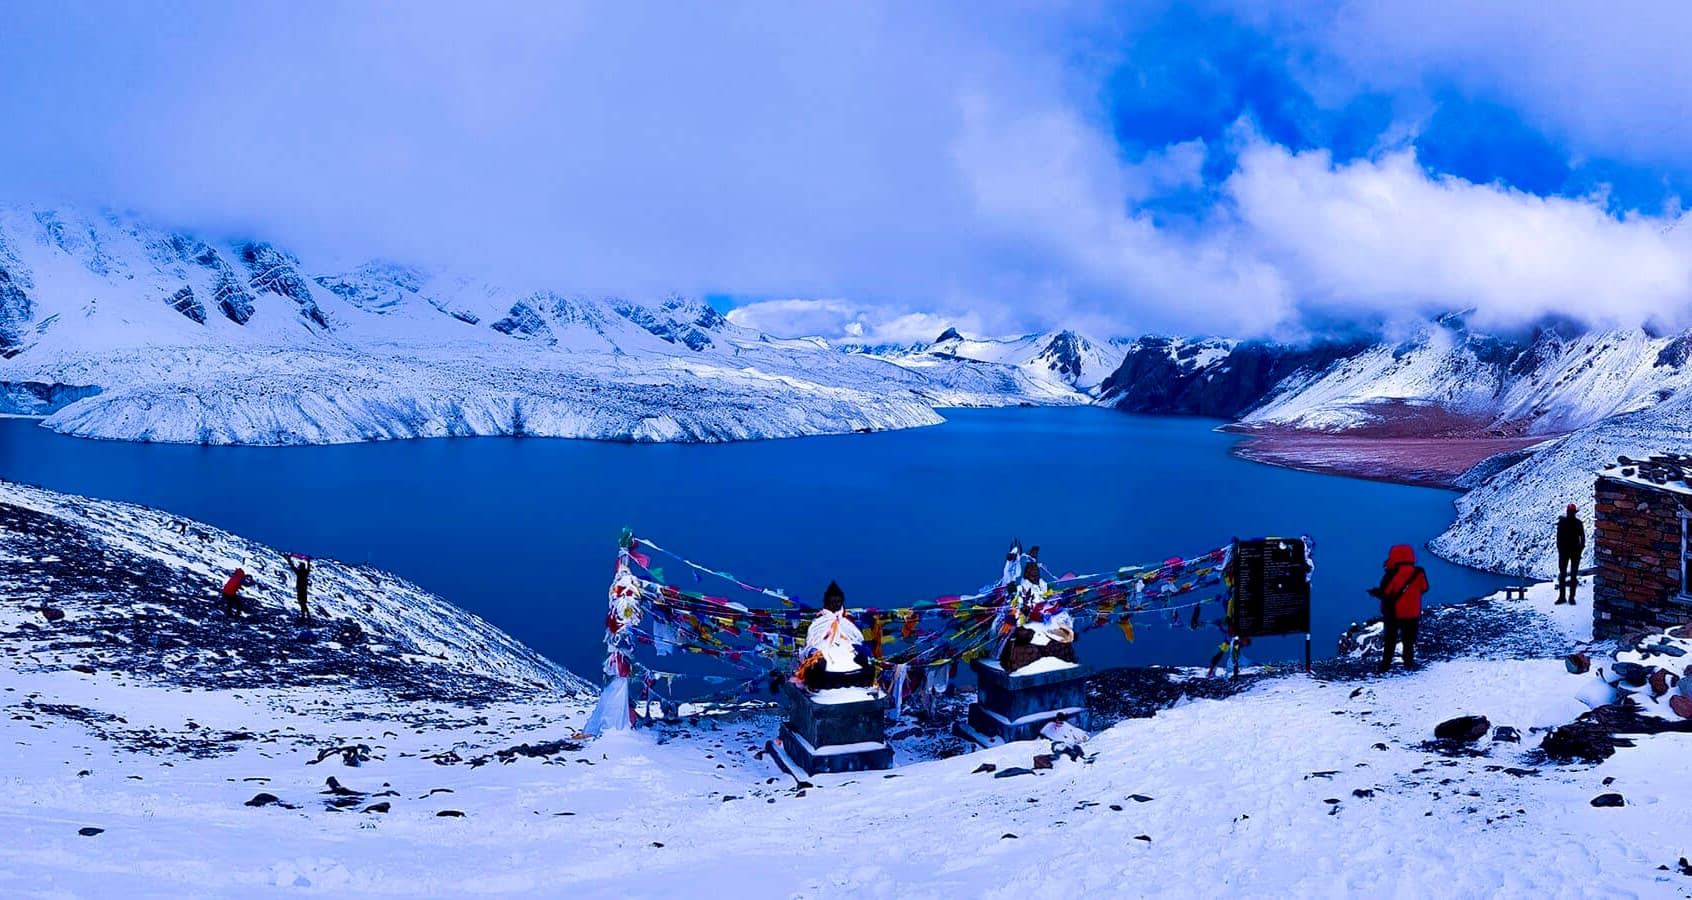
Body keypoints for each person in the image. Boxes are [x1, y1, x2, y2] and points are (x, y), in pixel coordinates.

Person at [798, 582, 874, 690]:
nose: (836, 604)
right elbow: (812, 640)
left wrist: (858, 648)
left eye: (838, 601)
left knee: (864, 658)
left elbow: (856, 638)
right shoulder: (819, 622)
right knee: (819, 662)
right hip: (825, 649)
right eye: (833, 601)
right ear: (827, 602)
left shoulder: (846, 622)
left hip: (846, 649)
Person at [1369, 545, 1429, 673]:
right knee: (1408, 640)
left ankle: (1385, 666)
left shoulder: (1392, 573)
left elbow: (1385, 592)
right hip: (1412, 612)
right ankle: (1408, 663)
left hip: (1393, 613)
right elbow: (1424, 588)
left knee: (1390, 640)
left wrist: (1374, 592)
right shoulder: (1419, 572)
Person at [1556, 503, 1586, 605]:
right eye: (1570, 512)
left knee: (1571, 575)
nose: (1570, 513)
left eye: (1571, 512)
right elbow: (1558, 538)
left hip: (1571, 552)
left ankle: (1569, 597)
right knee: (1565, 575)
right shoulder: (1576, 523)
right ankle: (1564, 597)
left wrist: (1580, 549)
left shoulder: (1567, 522)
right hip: (1568, 552)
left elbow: (1582, 538)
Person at [286, 554, 313, 622]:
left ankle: (305, 616)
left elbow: (292, 567)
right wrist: (308, 562)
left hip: (301, 589)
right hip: (303, 589)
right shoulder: (305, 573)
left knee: (302, 602)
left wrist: (289, 560)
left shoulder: (299, 573)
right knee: (303, 603)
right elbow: (308, 568)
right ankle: (306, 616)